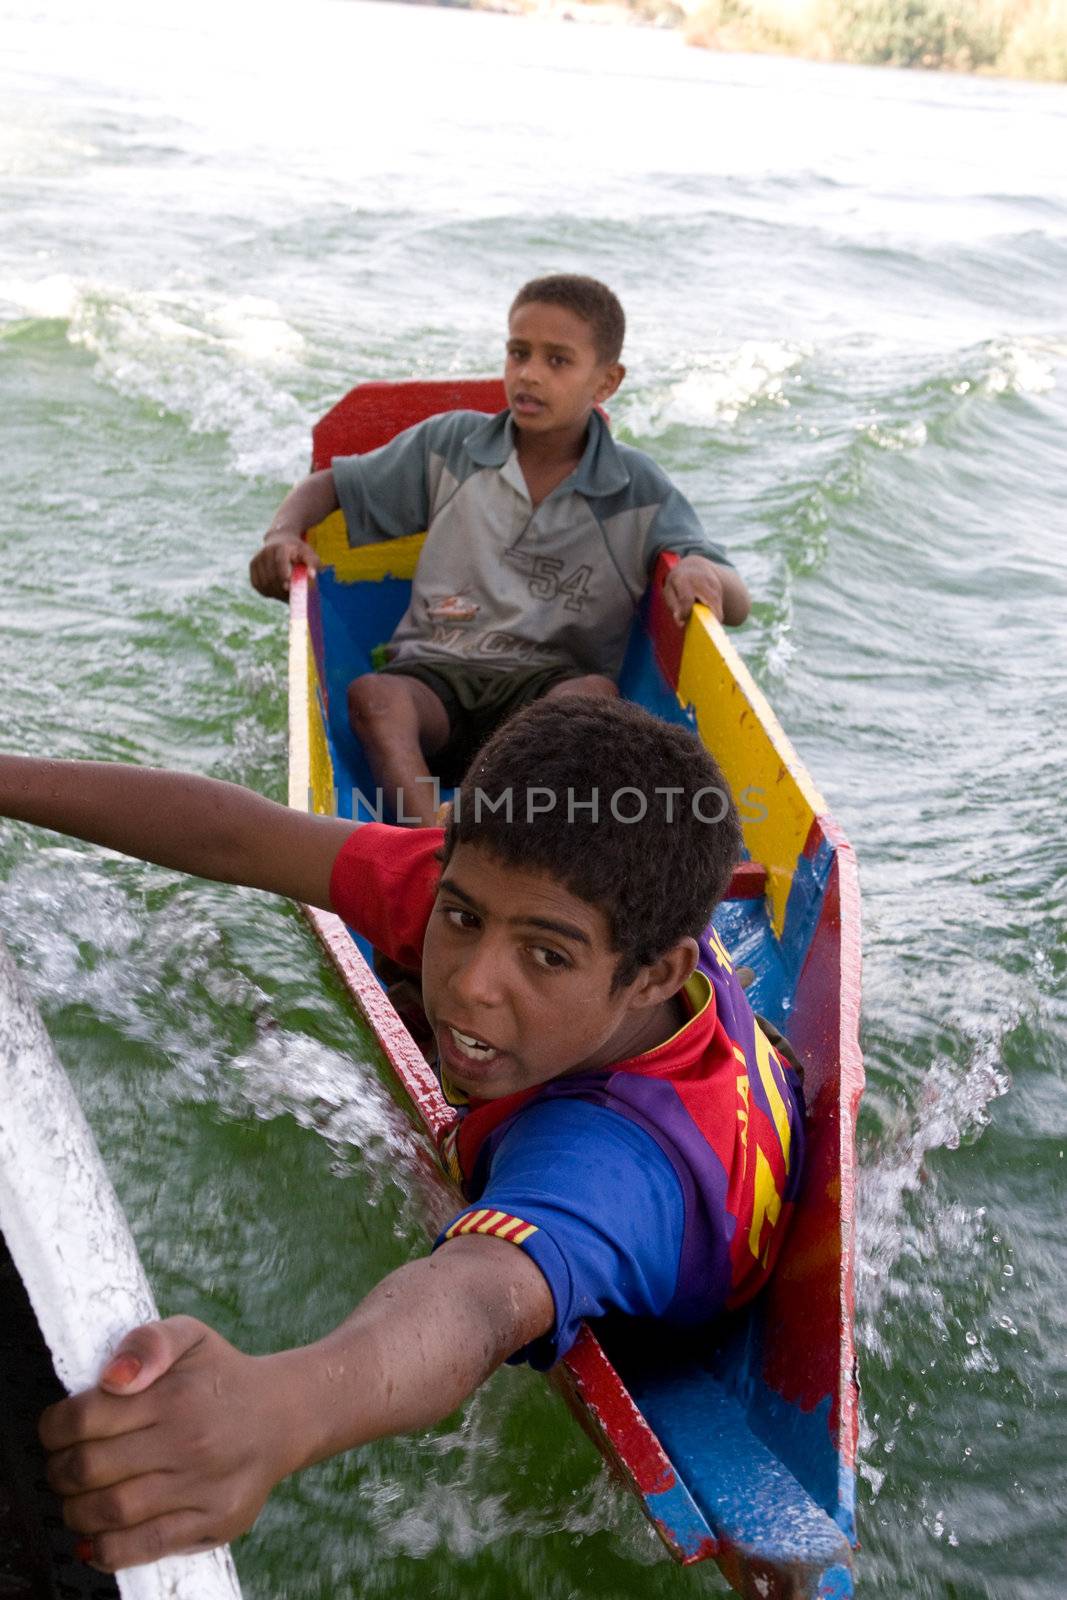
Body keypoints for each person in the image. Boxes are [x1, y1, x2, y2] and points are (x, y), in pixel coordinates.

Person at [4, 697, 802, 1573]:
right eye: (459, 918)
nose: (470, 984)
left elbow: (476, 1301)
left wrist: (280, 1410)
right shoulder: (516, 900)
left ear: (656, 974)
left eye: (544, 957)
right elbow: (238, 836)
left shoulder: (616, 1163)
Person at [250, 275, 752, 824]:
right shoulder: (453, 445)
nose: (530, 373)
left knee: (592, 697)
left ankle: (478, 821)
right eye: (519, 353)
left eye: (558, 360)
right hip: (435, 677)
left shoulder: (635, 487)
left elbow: (735, 597)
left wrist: (700, 569)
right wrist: (283, 533)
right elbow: (328, 487)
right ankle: (426, 840)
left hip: (544, 701)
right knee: (374, 696)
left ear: (606, 382)